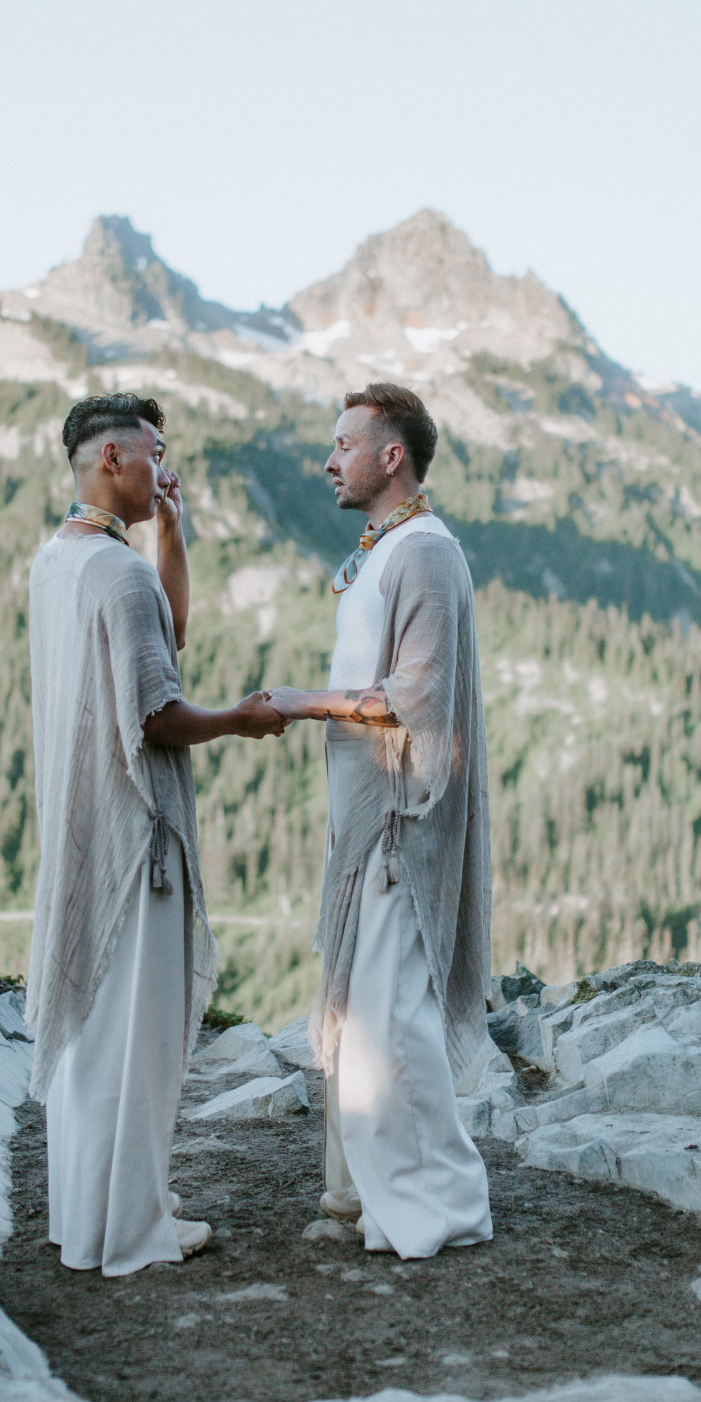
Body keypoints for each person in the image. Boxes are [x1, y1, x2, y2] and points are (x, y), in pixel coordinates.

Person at [26, 393, 284, 1277]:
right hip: (137, 829)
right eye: (155, 454)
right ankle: (131, 1229)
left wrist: (171, 531)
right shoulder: (119, 574)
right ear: (111, 458)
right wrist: (239, 720)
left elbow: (163, 637)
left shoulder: (58, 562)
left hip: (81, 827)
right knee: (139, 1038)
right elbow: (158, 711)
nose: (163, 469)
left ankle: (88, 1214)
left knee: (93, 1034)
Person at [264, 383, 494, 1258]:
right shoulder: (389, 548)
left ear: (391, 456)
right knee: (365, 1012)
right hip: (369, 823)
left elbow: (416, 696)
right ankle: (364, 1192)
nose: (329, 461)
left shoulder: (426, 553)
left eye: (343, 444)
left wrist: (302, 702)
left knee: (391, 1022)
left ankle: (443, 1206)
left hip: (405, 820)